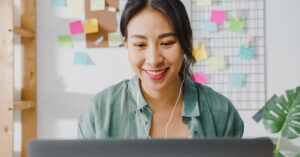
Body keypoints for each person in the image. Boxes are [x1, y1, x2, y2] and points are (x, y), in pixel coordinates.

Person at [77, 0, 244, 139]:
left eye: (167, 43)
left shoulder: (221, 113)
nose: (154, 60)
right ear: (126, 45)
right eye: (140, 45)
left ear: (185, 42)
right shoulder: (100, 113)